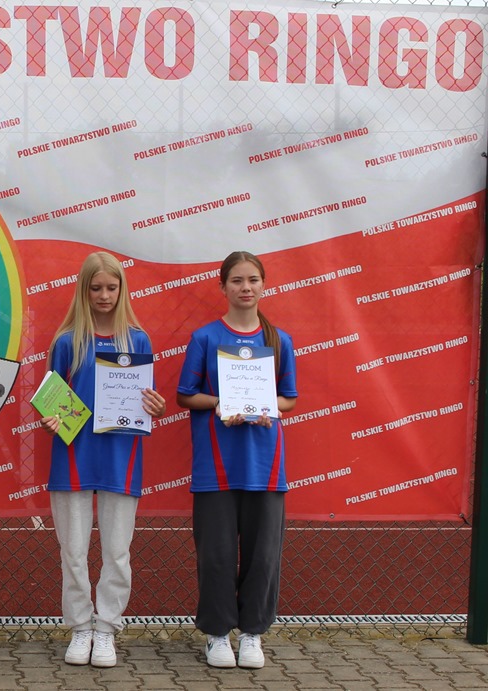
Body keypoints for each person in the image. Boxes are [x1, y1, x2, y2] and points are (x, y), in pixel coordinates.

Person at [41, 251, 166, 667]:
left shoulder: (138, 342)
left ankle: (107, 627)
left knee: (117, 552)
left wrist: (156, 407)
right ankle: (80, 627)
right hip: (72, 459)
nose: (104, 295)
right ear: (84, 290)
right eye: (96, 287)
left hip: (120, 459)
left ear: (122, 289)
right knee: (73, 552)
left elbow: (145, 401)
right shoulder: (66, 342)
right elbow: (51, 402)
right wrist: (51, 420)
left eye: (112, 287)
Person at [176, 251, 297, 669]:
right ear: (223, 287)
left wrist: (267, 406)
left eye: (253, 280)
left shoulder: (279, 341)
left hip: (266, 466)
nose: (246, 288)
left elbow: (289, 399)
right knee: (217, 556)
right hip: (216, 468)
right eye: (237, 281)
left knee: (263, 556)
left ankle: (252, 634)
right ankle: (216, 634)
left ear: (264, 285)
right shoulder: (205, 338)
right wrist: (222, 402)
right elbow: (185, 395)